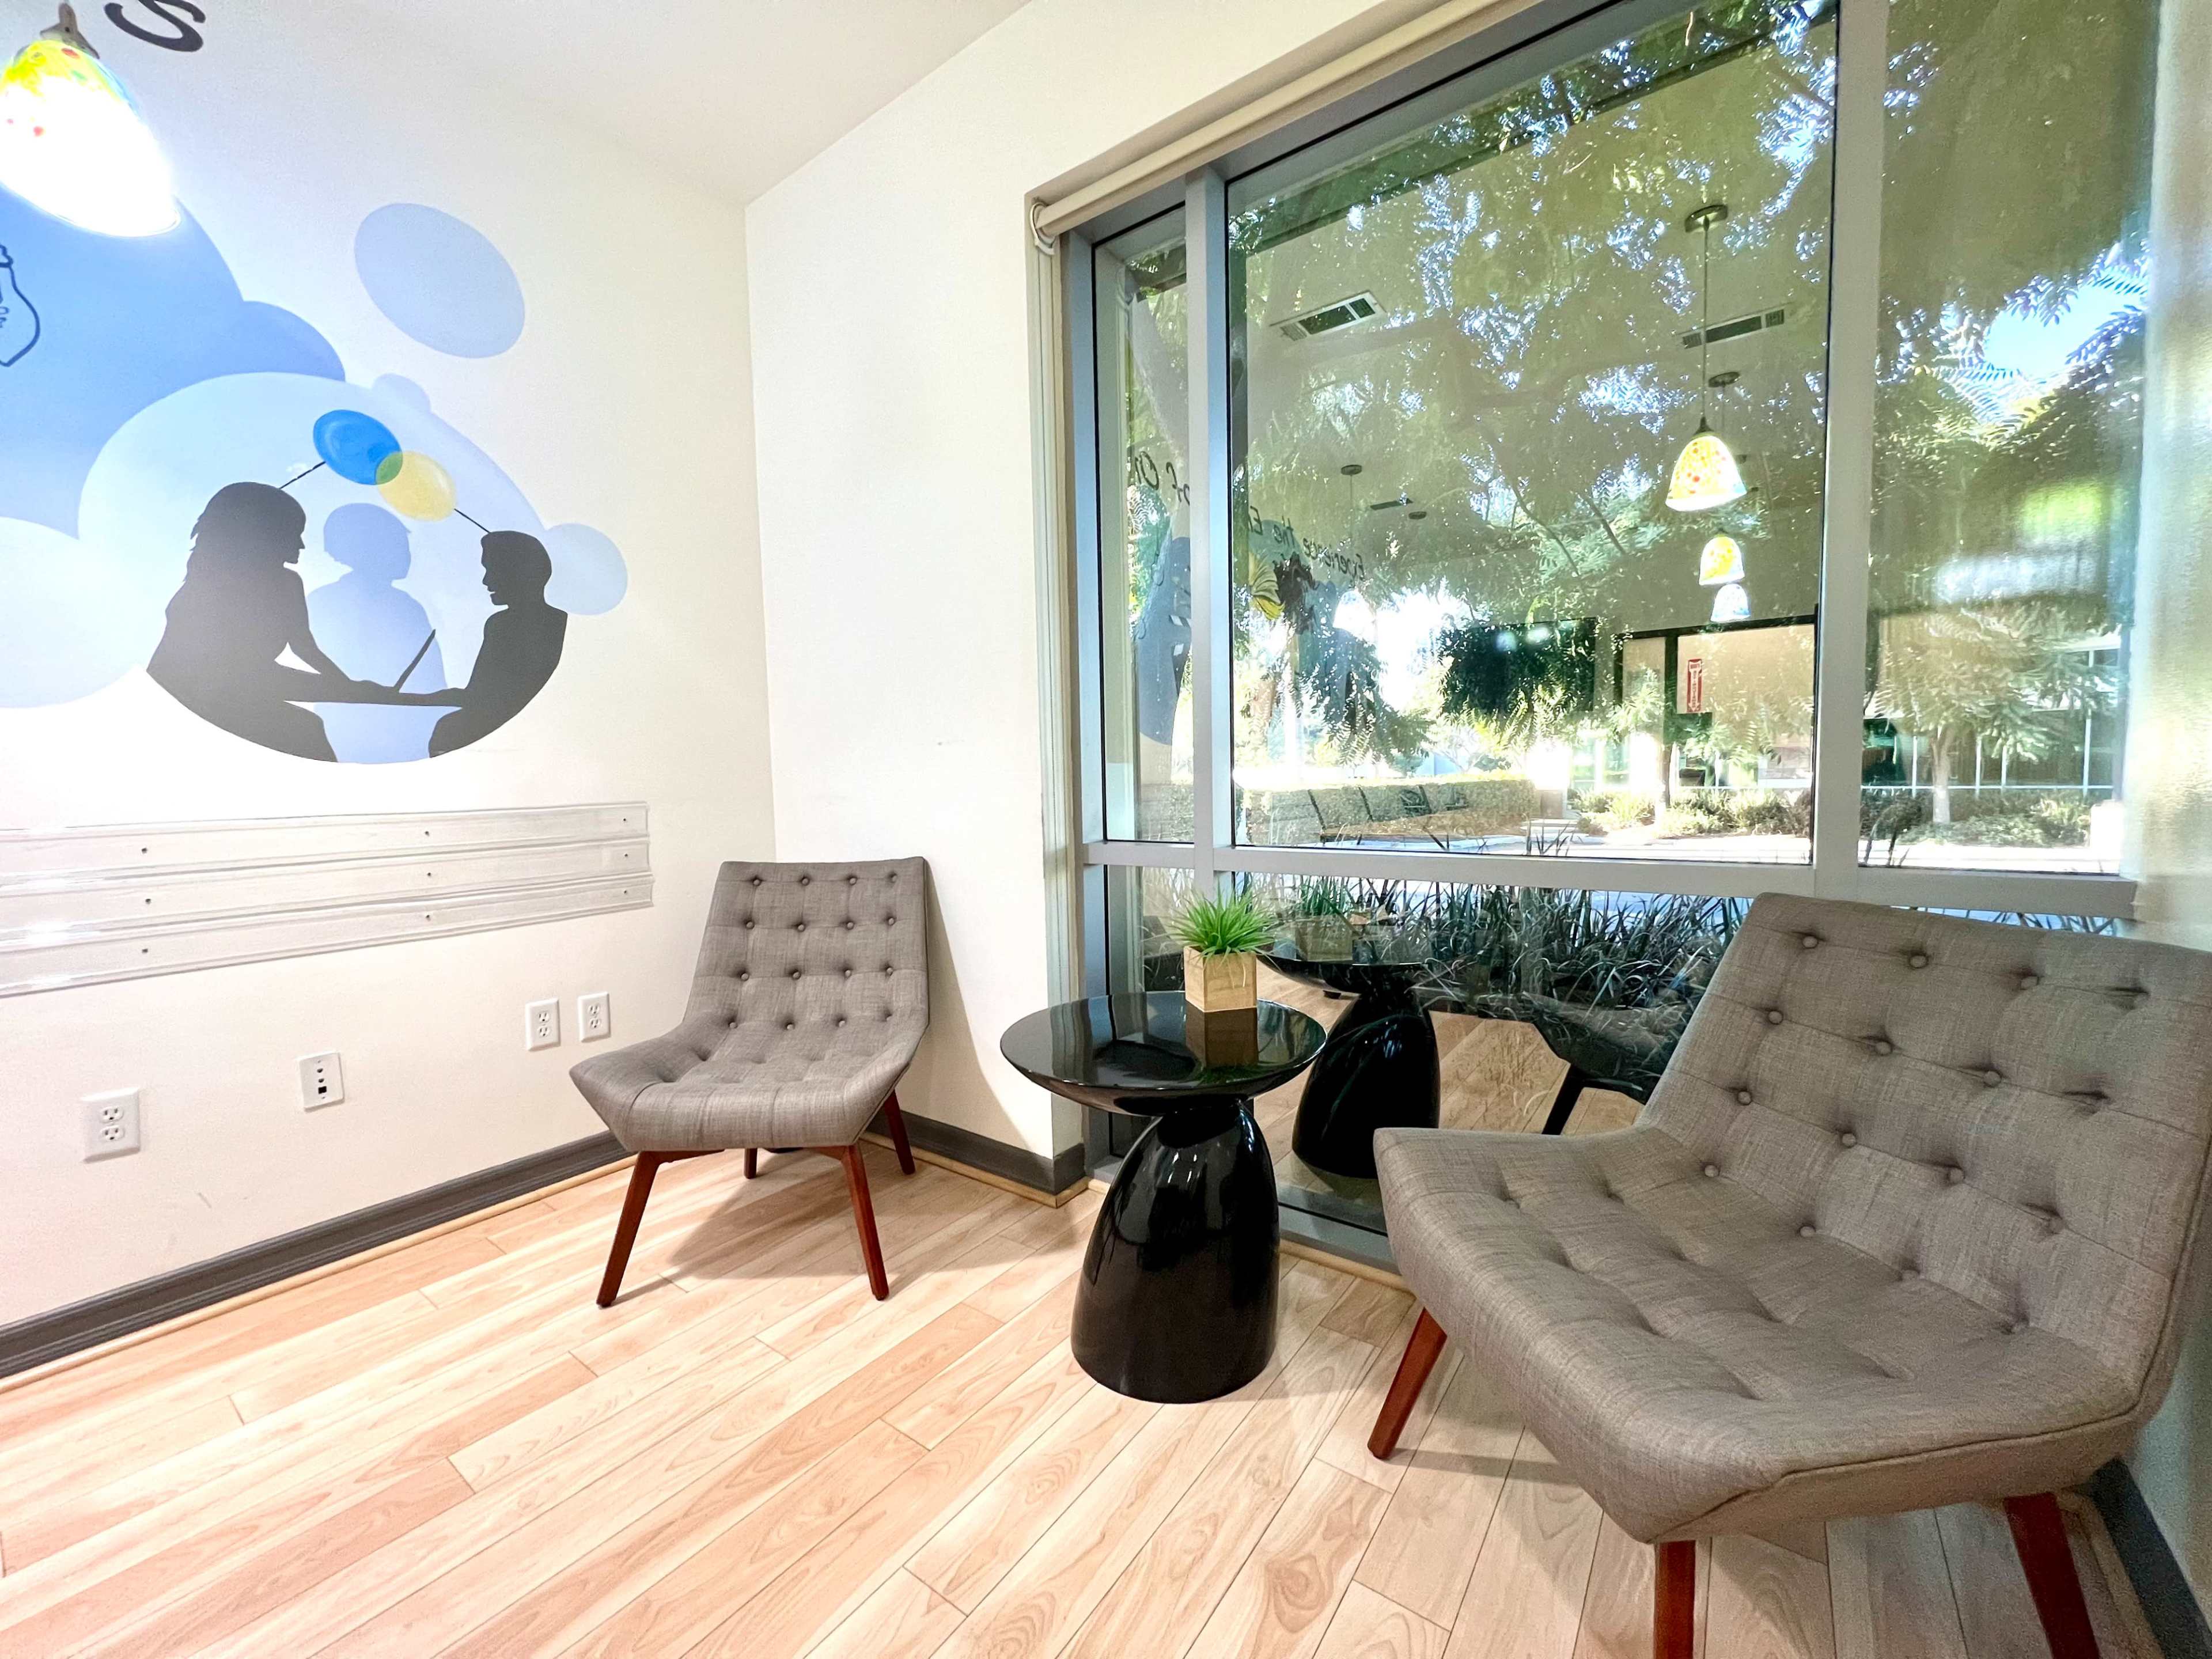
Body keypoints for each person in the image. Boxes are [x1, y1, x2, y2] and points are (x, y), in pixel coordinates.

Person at [146, 482, 362, 760]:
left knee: (305, 730)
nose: (301, 544)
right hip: (187, 706)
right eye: (293, 532)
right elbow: (238, 674)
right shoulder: (205, 593)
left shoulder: (288, 583)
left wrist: (347, 685)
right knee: (304, 731)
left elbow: (304, 647)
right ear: (260, 534)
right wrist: (343, 690)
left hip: (230, 700)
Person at [386, 531, 567, 755]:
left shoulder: (505, 625)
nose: (486, 580)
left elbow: (479, 698)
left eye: (493, 570)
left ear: (520, 572)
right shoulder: (540, 622)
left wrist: (398, 700)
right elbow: (479, 694)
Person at [306, 504, 448, 763]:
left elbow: (431, 677)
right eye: (397, 543)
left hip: (407, 732)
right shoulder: (324, 602)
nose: (406, 554)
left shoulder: (407, 606)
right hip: (352, 732)